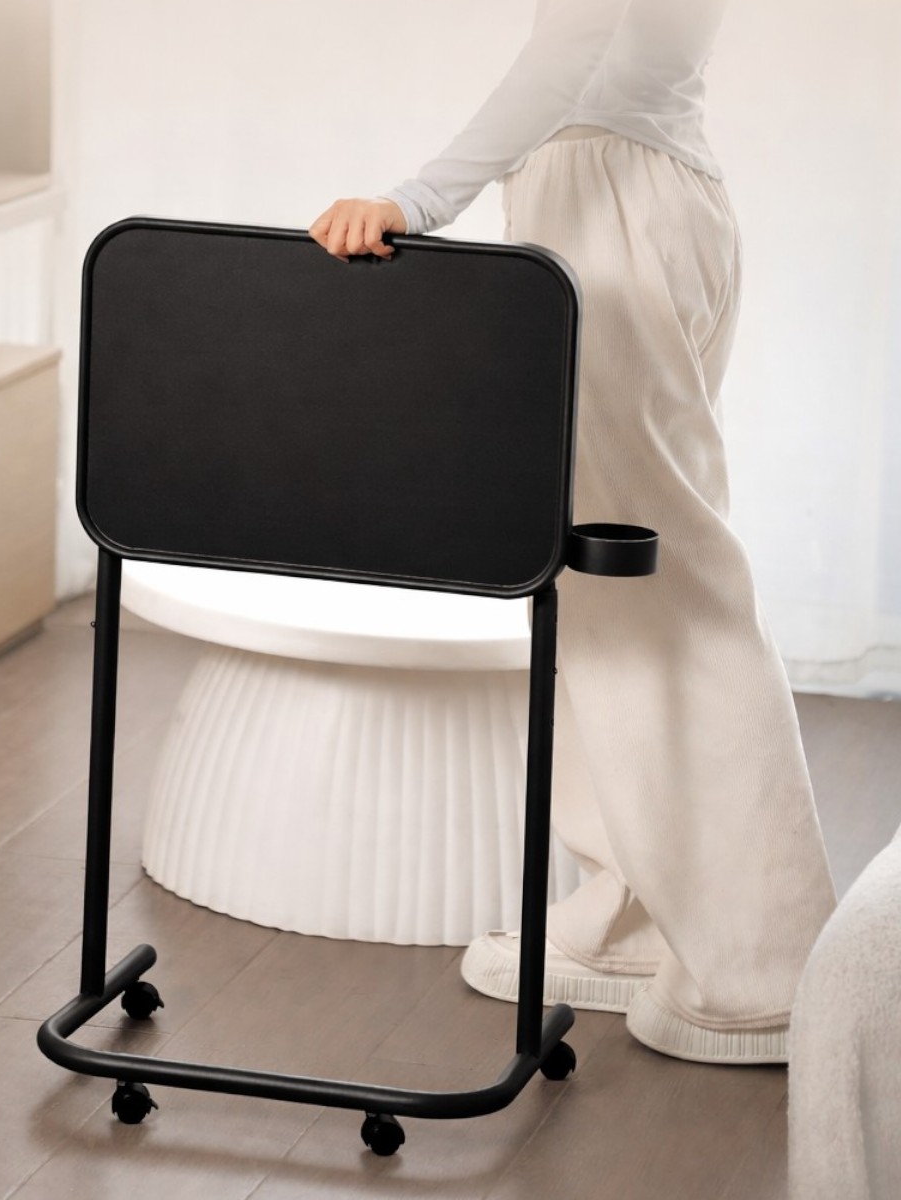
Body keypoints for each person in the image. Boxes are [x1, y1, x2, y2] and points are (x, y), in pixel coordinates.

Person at [310, 0, 838, 1065]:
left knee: (668, 584)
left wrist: (417, 199)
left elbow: (574, 44)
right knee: (612, 588)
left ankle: (768, 967)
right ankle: (640, 915)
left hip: (612, 214)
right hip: (640, 199)